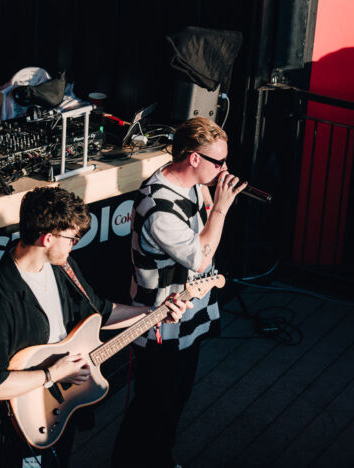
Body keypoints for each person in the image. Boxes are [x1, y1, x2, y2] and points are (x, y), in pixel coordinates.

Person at [0, 187, 191, 468]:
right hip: (22, 421)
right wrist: (52, 373)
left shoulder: (63, 267)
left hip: (62, 406)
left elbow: (102, 311)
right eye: (71, 238)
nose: (74, 244)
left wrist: (153, 314)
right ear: (47, 238)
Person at [111, 117, 247, 468]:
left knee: (175, 400)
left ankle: (160, 458)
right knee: (153, 405)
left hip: (187, 312)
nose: (224, 169)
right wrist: (220, 207)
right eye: (218, 162)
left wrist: (208, 197)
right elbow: (200, 258)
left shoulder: (191, 184)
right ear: (194, 158)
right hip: (160, 320)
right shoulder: (159, 208)